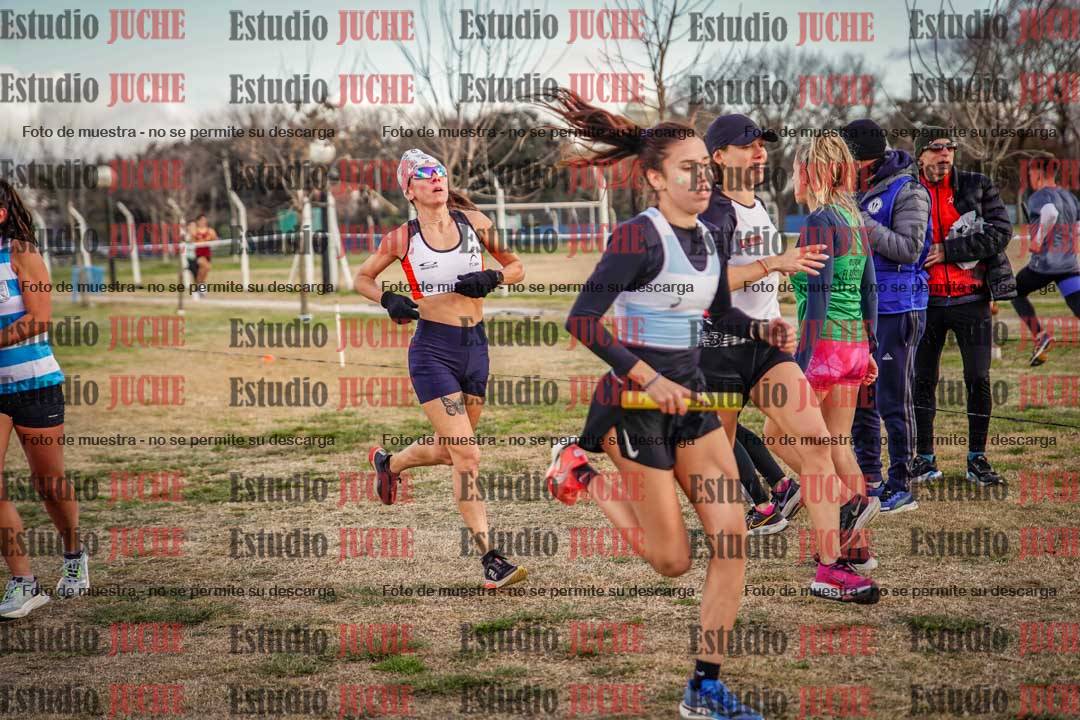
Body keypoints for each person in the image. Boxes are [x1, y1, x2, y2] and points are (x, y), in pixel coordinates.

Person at [543, 88, 779, 719]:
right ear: (655, 178)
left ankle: (705, 687)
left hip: (693, 408)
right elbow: (582, 321)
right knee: (672, 561)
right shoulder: (636, 238)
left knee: (732, 539)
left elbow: (717, 310)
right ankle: (581, 471)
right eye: (688, 169)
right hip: (635, 410)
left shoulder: (712, 234)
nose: (703, 179)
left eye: (706, 167)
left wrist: (763, 329)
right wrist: (647, 378)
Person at [355, 149, 527, 589]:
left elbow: (516, 266)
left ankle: (390, 463)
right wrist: (388, 299)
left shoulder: (476, 223)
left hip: (475, 349)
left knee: (452, 450)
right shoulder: (402, 238)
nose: (436, 179)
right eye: (425, 174)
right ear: (409, 190)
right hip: (433, 352)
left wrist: (494, 278)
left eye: (440, 172)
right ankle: (491, 559)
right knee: (467, 454)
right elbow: (361, 278)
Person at [762, 135, 880, 573]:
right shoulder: (853, 218)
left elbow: (819, 296)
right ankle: (857, 549)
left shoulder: (818, 221)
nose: (792, 177)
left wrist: (800, 362)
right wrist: (869, 347)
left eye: (796, 169)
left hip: (823, 349)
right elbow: (870, 290)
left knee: (777, 436)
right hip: (853, 346)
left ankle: (846, 503)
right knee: (838, 444)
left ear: (811, 173)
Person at [0, 179, 88, 619]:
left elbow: (39, 318)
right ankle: (24, 583)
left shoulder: (21, 254)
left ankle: (74, 555)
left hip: (34, 383)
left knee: (49, 483)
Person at [911, 128, 1017, 487]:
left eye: (950, 147)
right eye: (936, 148)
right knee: (922, 379)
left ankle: (977, 458)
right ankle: (924, 459)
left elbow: (1001, 232)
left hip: (972, 299)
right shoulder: (908, 190)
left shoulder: (977, 185)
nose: (945, 154)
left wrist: (948, 250)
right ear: (920, 155)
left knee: (978, 378)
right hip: (924, 302)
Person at [841, 119, 933, 514]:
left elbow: (909, 249)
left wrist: (860, 221)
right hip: (863, 308)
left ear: (862, 158)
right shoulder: (854, 190)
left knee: (893, 397)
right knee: (862, 396)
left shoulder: (908, 190)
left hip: (900, 308)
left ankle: (902, 484)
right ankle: (870, 477)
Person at [1011, 154, 1080, 366]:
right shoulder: (1069, 196)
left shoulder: (1040, 195)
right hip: (1069, 264)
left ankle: (1041, 336)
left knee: (1014, 290)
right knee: (1077, 304)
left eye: (1030, 174)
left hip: (1045, 265)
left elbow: (1050, 212)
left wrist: (1038, 239)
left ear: (1037, 174)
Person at [187, 214, 216, 300]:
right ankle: (200, 287)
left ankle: (200, 287)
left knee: (203, 272)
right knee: (205, 267)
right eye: (202, 220)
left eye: (205, 220)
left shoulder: (210, 231)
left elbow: (215, 240)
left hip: (207, 254)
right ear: (198, 221)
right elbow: (191, 241)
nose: (204, 222)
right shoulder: (195, 231)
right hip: (198, 254)